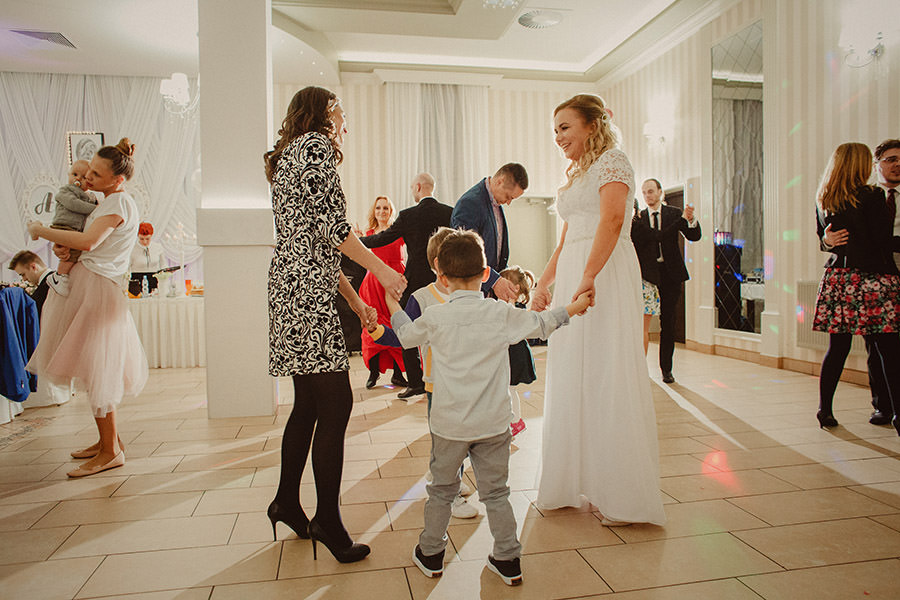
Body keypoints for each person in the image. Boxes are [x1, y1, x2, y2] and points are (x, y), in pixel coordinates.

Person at [387, 229, 590, 586]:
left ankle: (431, 553)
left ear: (442, 277)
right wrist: (574, 307)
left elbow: (405, 336)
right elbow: (541, 325)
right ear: (484, 274)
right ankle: (508, 558)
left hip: (449, 426)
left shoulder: (436, 316)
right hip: (494, 424)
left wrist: (392, 305)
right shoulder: (500, 313)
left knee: (441, 491)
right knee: (497, 493)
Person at [263, 86, 406, 564]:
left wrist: (357, 303)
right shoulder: (315, 146)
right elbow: (332, 228)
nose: (346, 121)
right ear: (325, 112)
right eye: (341, 111)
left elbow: (312, 243)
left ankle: (286, 501)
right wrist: (381, 270)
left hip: (293, 286)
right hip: (305, 293)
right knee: (336, 401)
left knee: (308, 403)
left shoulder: (289, 154)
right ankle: (326, 519)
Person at [532, 94, 666, 526]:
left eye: (565, 128)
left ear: (592, 125)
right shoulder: (578, 174)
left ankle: (623, 495)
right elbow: (566, 240)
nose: (558, 137)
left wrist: (589, 275)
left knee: (608, 370)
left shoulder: (614, 162)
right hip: (577, 270)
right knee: (574, 371)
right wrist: (544, 284)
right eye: (555, 130)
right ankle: (573, 480)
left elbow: (611, 222)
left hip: (605, 272)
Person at [25, 138, 148, 477]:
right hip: (91, 283)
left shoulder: (117, 204)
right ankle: (109, 441)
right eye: (89, 170)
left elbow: (89, 241)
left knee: (97, 370)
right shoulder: (110, 201)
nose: (88, 177)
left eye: (96, 173)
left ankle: (110, 451)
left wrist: (42, 231)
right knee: (94, 367)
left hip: (96, 289)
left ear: (117, 179)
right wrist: (66, 249)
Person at [812, 142, 900, 435]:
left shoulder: (823, 197)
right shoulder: (872, 195)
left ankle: (825, 409)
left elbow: (825, 239)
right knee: (889, 349)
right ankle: (898, 413)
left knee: (838, 348)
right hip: (872, 278)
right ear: (862, 165)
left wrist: (827, 242)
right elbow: (882, 241)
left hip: (839, 279)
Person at [402, 226, 478, 519]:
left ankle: (447, 476)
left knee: (464, 436)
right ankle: (448, 492)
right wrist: (380, 327)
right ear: (439, 264)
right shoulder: (422, 298)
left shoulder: (471, 294)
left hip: (468, 381)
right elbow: (406, 335)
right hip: (440, 384)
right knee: (447, 440)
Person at [360, 173, 453, 400]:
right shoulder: (449, 212)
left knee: (406, 329)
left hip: (414, 282)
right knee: (446, 329)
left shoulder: (408, 215)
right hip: (444, 281)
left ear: (418, 187)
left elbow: (382, 239)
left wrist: (356, 241)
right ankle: (445, 378)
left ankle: (415, 382)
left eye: (412, 188)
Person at [631, 178, 700, 383]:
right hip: (648, 276)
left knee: (668, 322)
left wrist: (690, 219)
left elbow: (694, 235)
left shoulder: (673, 213)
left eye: (651, 191)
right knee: (643, 324)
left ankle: (666, 369)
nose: (647, 196)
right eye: (644, 192)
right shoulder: (639, 219)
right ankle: (640, 369)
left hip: (671, 274)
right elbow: (656, 237)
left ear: (660, 192)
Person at [450, 164, 527, 303]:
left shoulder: (495, 203)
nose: (508, 202)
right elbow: (466, 254)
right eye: (508, 196)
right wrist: (494, 281)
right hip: (473, 293)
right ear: (500, 181)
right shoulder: (470, 203)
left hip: (490, 295)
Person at [358, 196, 407, 389]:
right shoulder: (368, 234)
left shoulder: (399, 231)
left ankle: (398, 374)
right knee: (373, 323)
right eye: (378, 208)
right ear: (374, 211)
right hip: (373, 284)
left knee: (396, 324)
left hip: (395, 282)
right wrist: (358, 240)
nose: (382, 211)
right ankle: (374, 372)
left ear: (391, 211)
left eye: (385, 208)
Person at [45, 159, 99, 296]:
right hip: (63, 226)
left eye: (83, 177)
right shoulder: (66, 190)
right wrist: (96, 209)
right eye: (75, 174)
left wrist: (96, 205)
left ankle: (62, 276)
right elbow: (73, 204)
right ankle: (59, 276)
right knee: (70, 253)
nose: (78, 179)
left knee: (73, 253)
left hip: (75, 229)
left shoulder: (90, 196)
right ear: (69, 175)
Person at [498, 265, 536, 435]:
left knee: (510, 388)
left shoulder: (515, 307)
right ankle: (511, 420)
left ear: (515, 288)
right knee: (507, 388)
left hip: (515, 354)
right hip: (510, 353)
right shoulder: (509, 306)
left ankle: (516, 422)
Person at [630, 198, 661, 355]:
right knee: (642, 330)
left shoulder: (633, 228)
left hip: (639, 282)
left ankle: (637, 365)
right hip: (644, 282)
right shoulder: (641, 227)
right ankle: (640, 365)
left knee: (638, 330)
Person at [8, 251, 53, 318]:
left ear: (33, 267)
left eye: (23, 274)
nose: (24, 279)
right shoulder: (48, 283)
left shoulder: (50, 285)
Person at [129, 222, 166, 295]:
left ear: (151, 236)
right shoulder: (132, 249)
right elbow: (126, 267)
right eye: (141, 239)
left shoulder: (158, 247)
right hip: (136, 282)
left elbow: (163, 264)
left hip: (154, 281)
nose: (145, 242)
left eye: (147, 239)